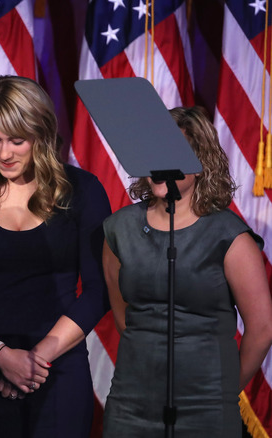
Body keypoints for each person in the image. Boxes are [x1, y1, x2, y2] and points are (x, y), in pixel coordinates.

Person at [0, 75, 111, 437]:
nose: (4, 153)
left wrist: (33, 362)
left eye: (17, 141)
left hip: (58, 368)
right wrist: (0, 355)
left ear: (41, 136)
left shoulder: (83, 191)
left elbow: (97, 290)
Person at [102, 106, 272, 437]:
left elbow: (262, 328)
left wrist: (221, 391)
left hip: (205, 408)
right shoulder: (118, 230)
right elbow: (125, 318)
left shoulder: (229, 235)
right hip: (130, 404)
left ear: (201, 161)